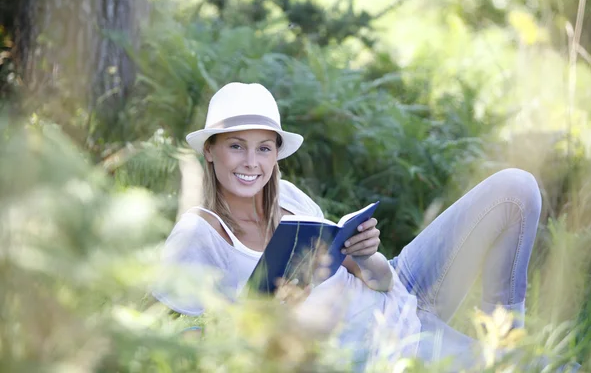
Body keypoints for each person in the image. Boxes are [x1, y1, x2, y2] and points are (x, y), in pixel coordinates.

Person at [152, 82, 566, 371]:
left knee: (516, 188)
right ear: (210, 151)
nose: (251, 163)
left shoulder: (290, 199)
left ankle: (507, 336)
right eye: (235, 146)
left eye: (264, 148)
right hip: (377, 344)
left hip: (400, 288)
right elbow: (176, 341)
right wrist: (261, 324)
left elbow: (380, 280)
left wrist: (367, 256)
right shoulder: (198, 233)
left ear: (276, 154)